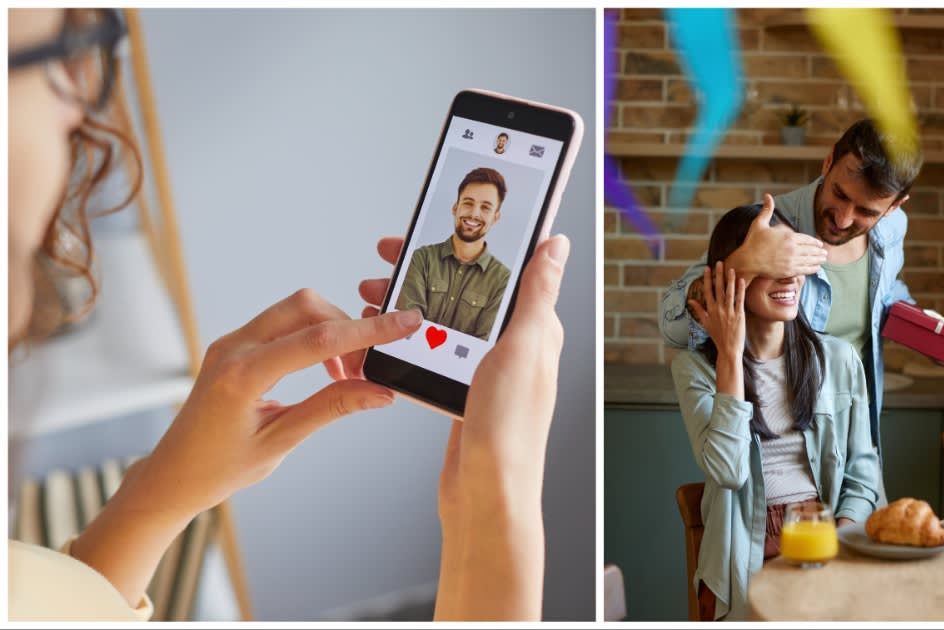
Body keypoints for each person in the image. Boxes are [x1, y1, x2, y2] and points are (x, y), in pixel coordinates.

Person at [8, 8, 567, 621]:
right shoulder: (428, 261)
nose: (84, 104)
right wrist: (496, 499)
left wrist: (157, 492)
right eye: (63, 53)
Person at [661, 119, 944, 455]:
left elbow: (883, 291)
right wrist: (745, 262)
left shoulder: (893, 227)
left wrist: (930, 332)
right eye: (839, 193)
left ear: (895, 205)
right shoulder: (771, 224)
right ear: (828, 161)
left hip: (858, 443)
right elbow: (674, 330)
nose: (843, 219)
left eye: (866, 211)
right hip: (787, 450)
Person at [672, 205, 880, 622]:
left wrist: (838, 538)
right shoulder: (694, 368)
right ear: (735, 274)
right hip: (741, 548)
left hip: (825, 530)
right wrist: (730, 353)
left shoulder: (838, 359)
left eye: (794, 263)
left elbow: (864, 474)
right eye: (773, 264)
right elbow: (728, 471)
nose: (789, 278)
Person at [397, 167, 511, 340]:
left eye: (485, 208)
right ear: (455, 208)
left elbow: (482, 345)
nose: (474, 214)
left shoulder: (503, 280)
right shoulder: (421, 258)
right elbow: (406, 327)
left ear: (496, 218)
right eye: (468, 203)